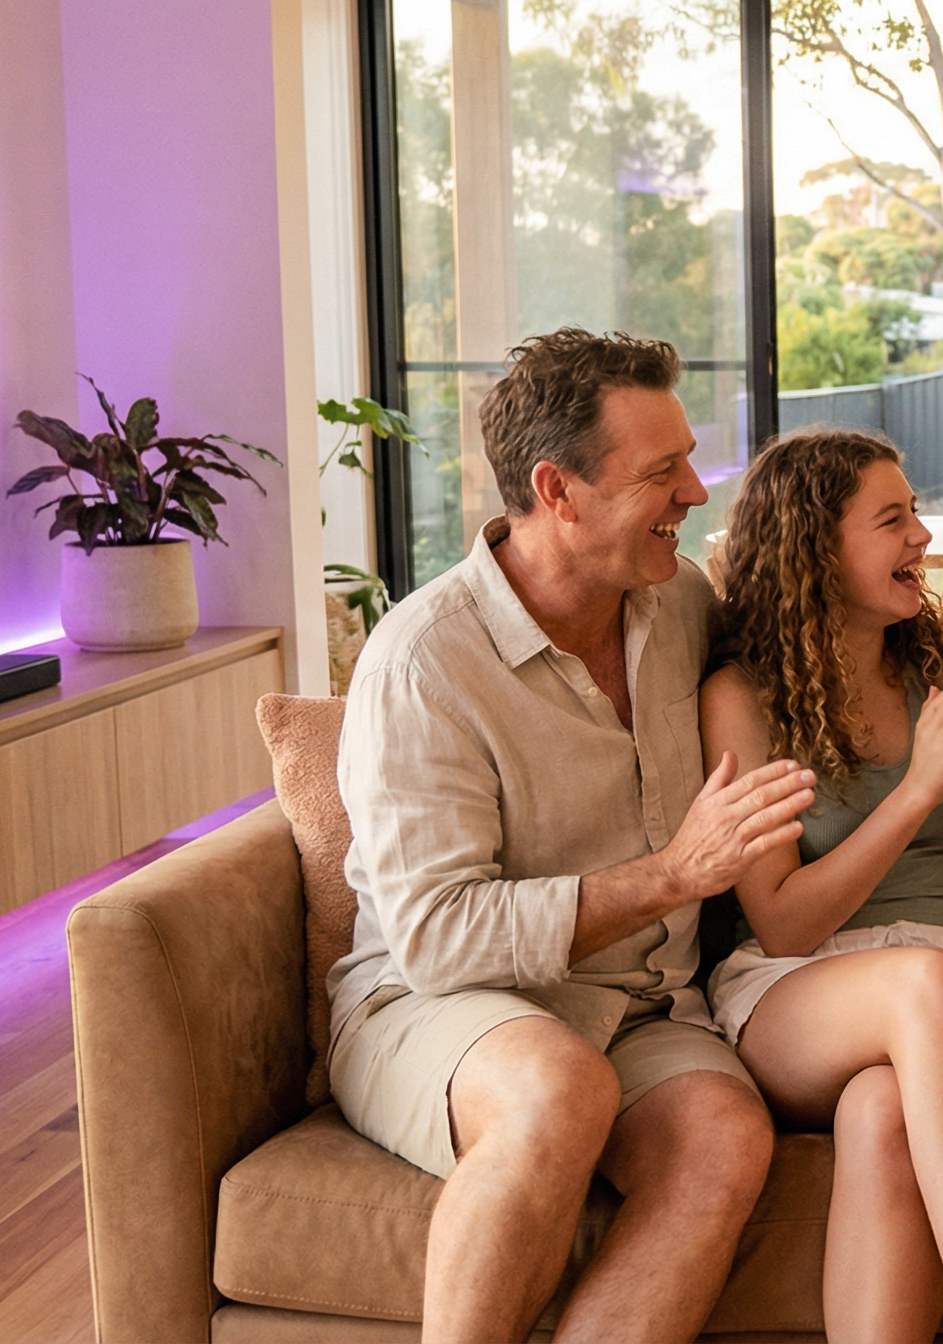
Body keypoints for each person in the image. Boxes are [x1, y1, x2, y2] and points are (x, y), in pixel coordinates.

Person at [328, 328, 819, 1343]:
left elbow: (813, 649)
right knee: (559, 1087)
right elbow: (434, 940)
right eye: (661, 472)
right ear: (557, 491)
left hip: (643, 1006)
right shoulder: (424, 664)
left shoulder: (676, 599)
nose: (695, 492)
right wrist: (672, 875)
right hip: (441, 1007)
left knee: (725, 1136)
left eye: (688, 458)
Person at [699, 430, 943, 1344]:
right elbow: (779, 923)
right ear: (815, 549)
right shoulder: (740, 696)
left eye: (916, 513)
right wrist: (922, 789)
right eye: (893, 521)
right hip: (797, 987)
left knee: (884, 1111)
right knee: (924, 983)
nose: (924, 538)